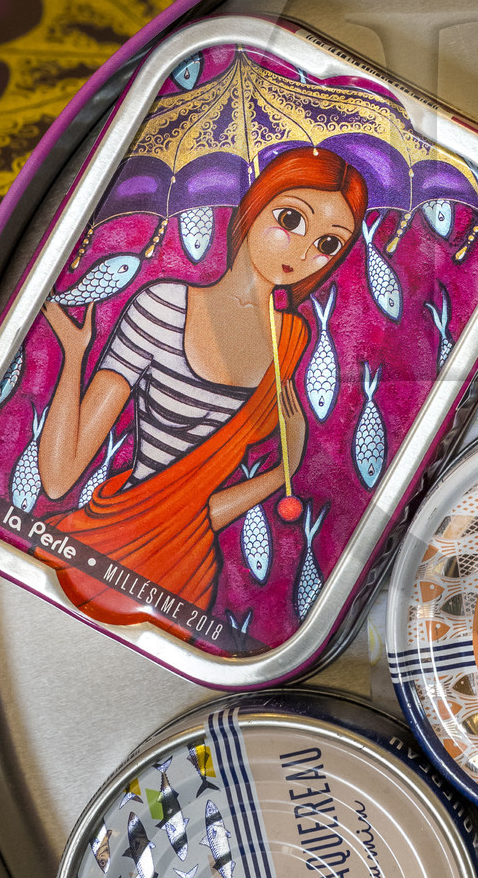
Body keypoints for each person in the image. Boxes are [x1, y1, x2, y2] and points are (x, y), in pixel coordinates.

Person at [37, 145, 367, 623]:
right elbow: (58, 477)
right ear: (254, 206)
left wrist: (284, 471)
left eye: (329, 244)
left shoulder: (291, 340)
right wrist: (73, 358)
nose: (303, 251)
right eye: (292, 219)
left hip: (188, 576)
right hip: (103, 540)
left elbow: (199, 515)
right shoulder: (163, 305)